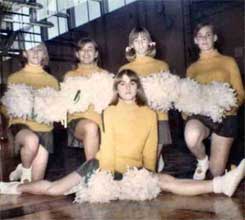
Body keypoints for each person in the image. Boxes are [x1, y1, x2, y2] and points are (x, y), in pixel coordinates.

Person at [0, 70, 244, 198]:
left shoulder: (150, 113)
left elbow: (150, 148)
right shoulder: (110, 111)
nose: (127, 88)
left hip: (134, 167)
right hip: (101, 166)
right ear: (117, 88)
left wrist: (146, 173)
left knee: (166, 181)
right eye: (122, 83)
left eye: (132, 83)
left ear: (138, 87)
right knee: (56, 190)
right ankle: (12, 189)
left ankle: (221, 184)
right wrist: (107, 178)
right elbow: (109, 150)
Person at [184, 22, 245, 180]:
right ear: (195, 41)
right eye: (200, 36)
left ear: (215, 38)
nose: (204, 39)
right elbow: (186, 95)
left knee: (216, 173)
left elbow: (240, 93)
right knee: (191, 136)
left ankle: (222, 167)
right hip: (202, 116)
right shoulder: (191, 69)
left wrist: (228, 107)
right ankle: (202, 160)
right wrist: (186, 111)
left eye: (208, 35)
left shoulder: (228, 61)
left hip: (226, 116)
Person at [5, 43, 59, 183]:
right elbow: (6, 106)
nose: (35, 53)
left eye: (39, 50)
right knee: (31, 140)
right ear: (24, 53)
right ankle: (26, 169)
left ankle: (23, 167)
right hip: (22, 126)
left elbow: (56, 108)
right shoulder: (14, 78)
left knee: (36, 184)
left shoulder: (52, 81)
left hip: (45, 130)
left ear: (44, 55)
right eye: (31, 49)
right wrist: (12, 112)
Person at [120, 27, 171, 172]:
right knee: (138, 162)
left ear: (150, 43)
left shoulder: (162, 65)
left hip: (158, 117)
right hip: (135, 118)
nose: (140, 43)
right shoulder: (124, 68)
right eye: (136, 40)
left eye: (144, 39)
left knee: (149, 168)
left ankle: (156, 157)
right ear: (131, 46)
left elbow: (169, 92)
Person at [64, 37, 109, 160]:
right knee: (91, 126)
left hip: (102, 120)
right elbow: (68, 102)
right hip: (78, 120)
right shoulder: (70, 76)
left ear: (96, 54)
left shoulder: (105, 75)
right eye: (82, 50)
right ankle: (92, 172)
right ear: (77, 54)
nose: (86, 53)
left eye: (90, 49)